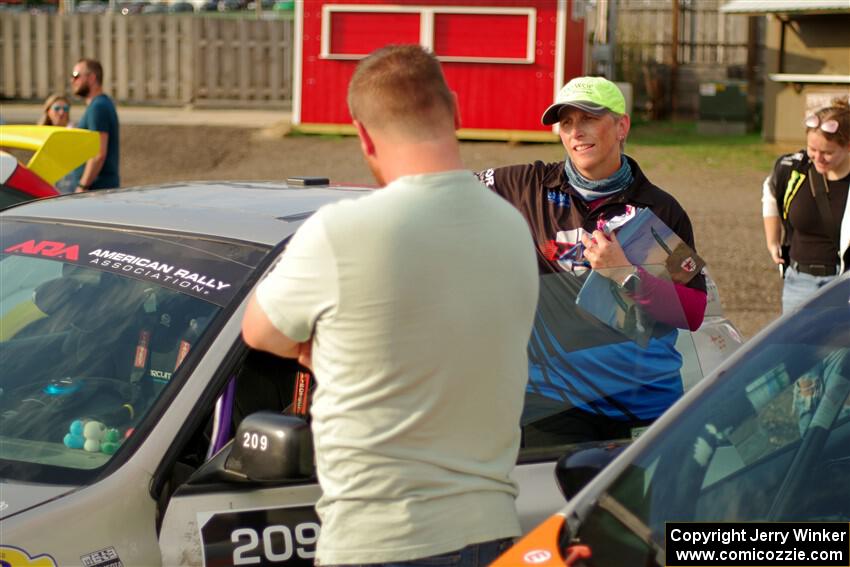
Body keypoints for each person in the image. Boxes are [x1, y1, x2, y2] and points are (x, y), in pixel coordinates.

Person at [241, 45, 538, 567]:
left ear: (362, 134)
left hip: (380, 539)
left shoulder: (340, 232)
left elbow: (259, 333)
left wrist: (320, 349)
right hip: (493, 532)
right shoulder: (513, 227)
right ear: (456, 109)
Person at [476, 76, 707, 445]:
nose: (576, 132)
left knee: (635, 504)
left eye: (588, 119)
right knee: (553, 502)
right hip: (553, 400)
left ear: (621, 126)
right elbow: (445, 193)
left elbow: (693, 312)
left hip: (643, 398)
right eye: (566, 123)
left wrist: (625, 274)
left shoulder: (659, 209)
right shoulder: (528, 186)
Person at [762, 96, 850, 313]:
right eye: (812, 149)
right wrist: (772, 241)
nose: (818, 158)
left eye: (828, 152)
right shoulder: (794, 168)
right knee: (797, 346)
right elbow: (770, 193)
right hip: (798, 282)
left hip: (844, 284)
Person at [71, 58, 120, 192]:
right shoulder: (100, 104)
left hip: (96, 190)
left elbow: (99, 154)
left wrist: (82, 186)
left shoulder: (98, 107)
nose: (72, 81)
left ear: (91, 78)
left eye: (76, 76)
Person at [38, 93, 78, 193]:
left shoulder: (74, 133)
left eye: (65, 109)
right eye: (57, 108)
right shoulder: (39, 133)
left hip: (68, 186)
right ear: (48, 111)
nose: (61, 112)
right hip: (45, 184)